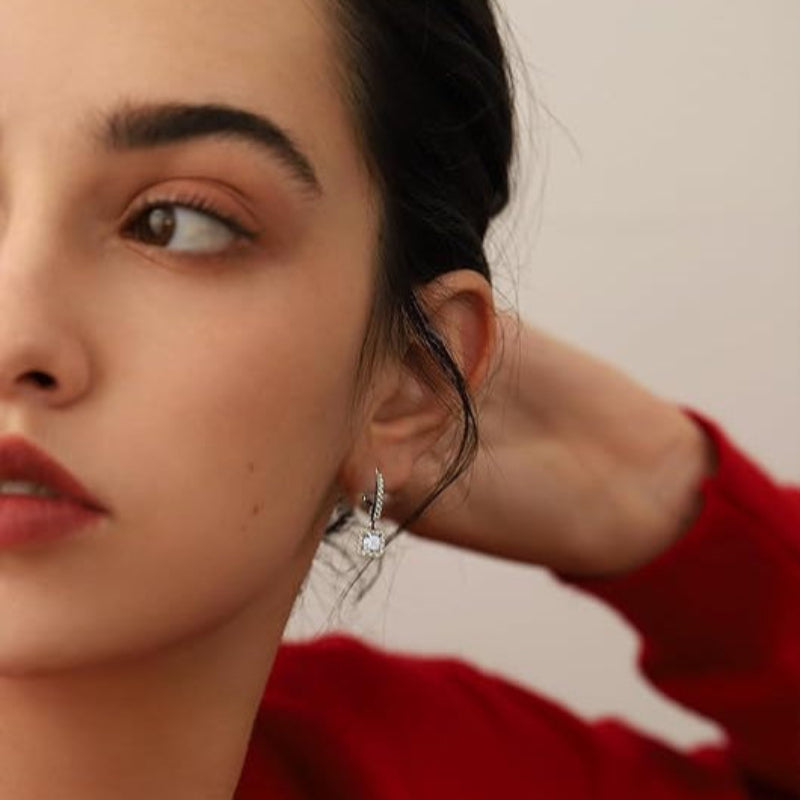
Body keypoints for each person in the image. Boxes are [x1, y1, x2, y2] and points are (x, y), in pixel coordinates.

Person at [0, 1, 795, 799]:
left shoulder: (415, 769)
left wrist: (648, 489)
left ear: (410, 382)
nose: (15, 339)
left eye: (175, 223)